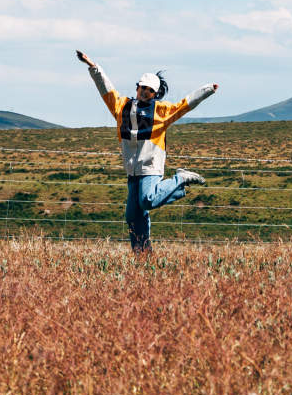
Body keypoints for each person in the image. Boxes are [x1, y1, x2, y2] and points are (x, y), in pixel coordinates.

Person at [76, 50, 218, 253]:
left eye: (149, 90)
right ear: (137, 87)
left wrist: (207, 90)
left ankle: (180, 179)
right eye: (142, 87)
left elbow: (186, 105)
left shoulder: (162, 111)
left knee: (147, 200)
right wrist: (92, 66)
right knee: (133, 216)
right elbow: (105, 89)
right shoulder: (121, 106)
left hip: (150, 167)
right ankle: (143, 256)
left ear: (155, 93)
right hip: (132, 170)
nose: (144, 92)